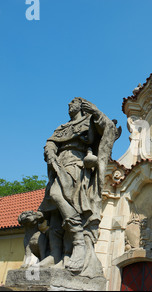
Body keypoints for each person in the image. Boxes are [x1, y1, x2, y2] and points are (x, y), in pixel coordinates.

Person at [38, 97, 121, 275]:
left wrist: (96, 111)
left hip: (77, 165)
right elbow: (51, 142)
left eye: (73, 103)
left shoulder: (90, 121)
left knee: (57, 195)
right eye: (69, 103)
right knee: (55, 213)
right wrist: (51, 153)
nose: (69, 105)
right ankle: (55, 254)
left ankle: (78, 242)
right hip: (59, 164)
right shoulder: (62, 127)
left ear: (81, 106)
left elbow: (109, 129)